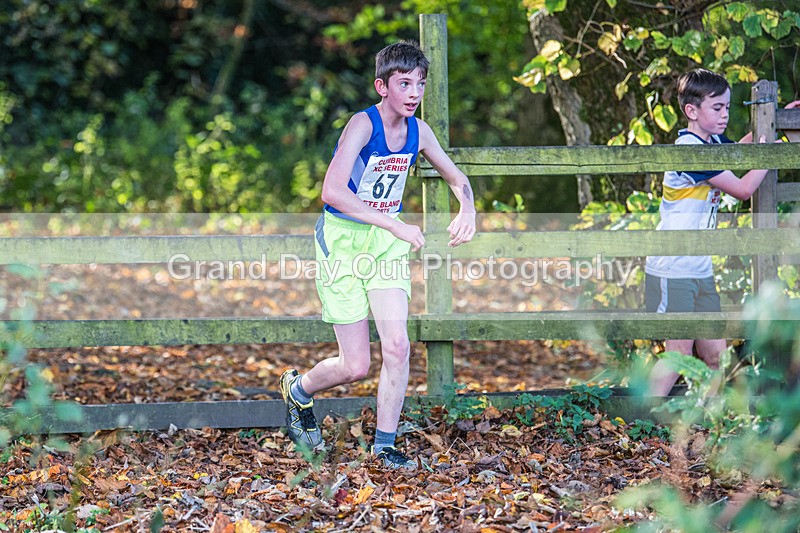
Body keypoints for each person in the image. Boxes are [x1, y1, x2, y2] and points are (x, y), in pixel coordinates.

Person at [279, 40, 477, 469]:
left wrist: (469, 207)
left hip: (386, 246)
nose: (413, 93)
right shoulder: (361, 126)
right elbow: (331, 191)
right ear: (382, 86)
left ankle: (384, 445)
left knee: (399, 346)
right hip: (344, 242)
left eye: (420, 84)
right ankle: (299, 391)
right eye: (404, 83)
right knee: (355, 366)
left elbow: (457, 177)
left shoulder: (419, 132)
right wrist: (394, 223)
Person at [644, 68, 800, 396]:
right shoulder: (691, 150)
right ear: (691, 111)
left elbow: (743, 152)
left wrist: (780, 125)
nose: (725, 114)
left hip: (698, 267)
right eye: (717, 108)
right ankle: (637, 423)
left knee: (715, 356)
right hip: (673, 267)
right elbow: (743, 188)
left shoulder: (712, 143)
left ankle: (706, 427)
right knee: (679, 355)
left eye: (728, 107)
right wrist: (771, 153)